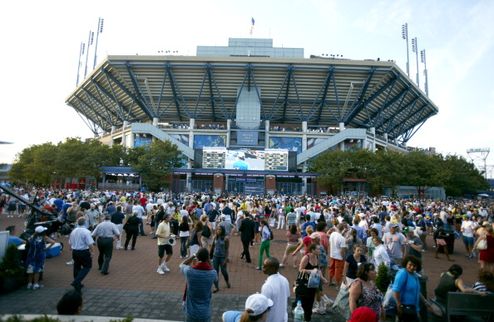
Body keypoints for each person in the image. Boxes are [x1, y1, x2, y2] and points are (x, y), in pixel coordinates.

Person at [180, 247, 217, 322]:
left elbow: (181, 265)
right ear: (208, 258)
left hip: (191, 313)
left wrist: (193, 256)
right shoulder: (212, 273)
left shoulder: (189, 271)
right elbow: (215, 276)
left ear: (197, 257)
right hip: (205, 314)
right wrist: (208, 260)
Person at [294, 243, 324, 322]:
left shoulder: (317, 257)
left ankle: (307, 319)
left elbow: (318, 270)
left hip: (312, 284)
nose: (319, 250)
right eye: (318, 249)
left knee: (310, 303)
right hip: (303, 284)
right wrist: (311, 271)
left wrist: (323, 278)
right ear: (312, 250)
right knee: (302, 302)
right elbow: (300, 270)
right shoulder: (306, 257)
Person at [392, 255, 422, 322]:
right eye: (410, 264)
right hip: (405, 308)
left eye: (414, 266)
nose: (412, 267)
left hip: (413, 308)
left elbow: (416, 291)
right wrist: (399, 305)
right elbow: (395, 290)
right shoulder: (403, 273)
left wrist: (418, 309)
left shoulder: (414, 275)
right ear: (406, 263)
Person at [260, 257, 290, 322]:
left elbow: (264, 307)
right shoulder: (284, 280)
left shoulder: (267, 286)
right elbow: (287, 298)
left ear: (272, 268)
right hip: (283, 318)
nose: (262, 267)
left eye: (265, 266)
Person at [69, 217, 95, 292]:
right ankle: (77, 281)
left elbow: (70, 243)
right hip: (83, 251)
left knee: (76, 267)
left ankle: (78, 283)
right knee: (87, 266)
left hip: (75, 251)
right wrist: (92, 252)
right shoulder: (86, 231)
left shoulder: (73, 231)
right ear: (85, 223)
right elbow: (90, 243)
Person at [211, 225, 231, 292]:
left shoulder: (226, 238)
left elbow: (227, 249)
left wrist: (226, 259)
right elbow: (212, 247)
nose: (218, 231)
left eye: (220, 229)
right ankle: (216, 287)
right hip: (215, 256)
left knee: (224, 271)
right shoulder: (215, 237)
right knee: (215, 272)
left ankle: (227, 281)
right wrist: (209, 255)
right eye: (217, 229)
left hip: (222, 257)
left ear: (222, 230)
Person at [329, 223, 347, 288]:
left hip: (332, 255)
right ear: (343, 229)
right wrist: (344, 258)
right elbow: (342, 250)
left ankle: (330, 281)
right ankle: (337, 285)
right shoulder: (342, 238)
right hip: (339, 257)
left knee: (331, 269)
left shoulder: (333, 234)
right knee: (338, 271)